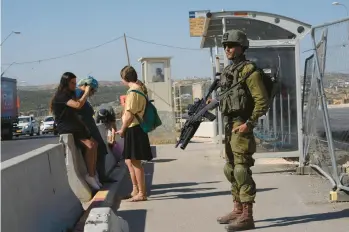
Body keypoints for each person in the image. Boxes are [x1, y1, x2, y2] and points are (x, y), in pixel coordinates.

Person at [214, 30, 269, 231]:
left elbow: (261, 101)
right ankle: (237, 209)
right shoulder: (230, 71)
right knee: (230, 168)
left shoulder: (250, 71)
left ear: (242, 47)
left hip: (241, 125)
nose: (227, 49)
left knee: (241, 169)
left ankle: (248, 215)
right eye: (225, 46)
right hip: (230, 126)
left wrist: (250, 123)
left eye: (231, 45)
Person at [50, 72, 101, 190]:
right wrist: (86, 93)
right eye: (72, 83)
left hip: (76, 126)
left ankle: (92, 175)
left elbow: (79, 99)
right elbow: (78, 105)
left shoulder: (70, 93)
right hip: (67, 128)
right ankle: (91, 175)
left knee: (95, 145)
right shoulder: (61, 96)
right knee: (90, 145)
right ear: (66, 83)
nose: (74, 85)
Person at [116, 65, 153, 202]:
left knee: (135, 162)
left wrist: (123, 129)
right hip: (136, 128)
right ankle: (136, 190)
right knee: (130, 161)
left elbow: (130, 114)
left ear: (125, 78)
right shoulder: (139, 90)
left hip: (134, 128)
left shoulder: (133, 92)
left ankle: (141, 193)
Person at [75, 76, 116, 184]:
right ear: (87, 86)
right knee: (100, 149)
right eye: (93, 90)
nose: (93, 92)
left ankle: (100, 176)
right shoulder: (79, 93)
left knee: (101, 149)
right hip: (87, 128)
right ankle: (100, 176)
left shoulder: (81, 94)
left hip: (90, 126)